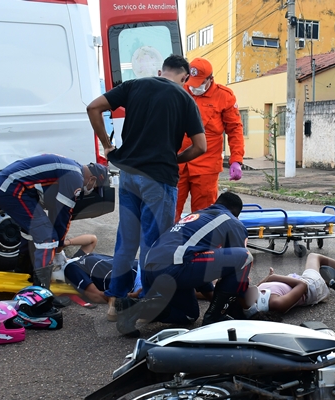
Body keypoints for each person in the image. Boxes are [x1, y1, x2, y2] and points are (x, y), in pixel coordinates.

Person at [85, 54, 207, 324]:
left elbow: (93, 108)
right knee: (153, 245)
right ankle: (148, 306)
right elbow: (200, 146)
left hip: (129, 175)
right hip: (158, 180)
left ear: (160, 71)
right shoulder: (186, 99)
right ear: (185, 78)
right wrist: (174, 158)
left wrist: (107, 144)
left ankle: (115, 304)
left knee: (126, 242)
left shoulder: (134, 85)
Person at [124, 192, 252, 335]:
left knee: (188, 314)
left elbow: (201, 265)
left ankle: (135, 308)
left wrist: (215, 301)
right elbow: (239, 266)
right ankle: (214, 317)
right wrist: (240, 310)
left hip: (152, 269)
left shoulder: (199, 216)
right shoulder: (232, 221)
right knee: (245, 257)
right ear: (236, 213)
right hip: (175, 267)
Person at [0, 154, 108, 288]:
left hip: (9, 185)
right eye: (94, 186)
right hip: (11, 188)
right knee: (47, 239)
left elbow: (56, 211)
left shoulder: (73, 167)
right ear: (92, 179)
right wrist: (57, 248)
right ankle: (40, 295)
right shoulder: (75, 178)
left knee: (35, 233)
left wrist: (59, 245)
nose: (91, 189)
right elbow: (63, 215)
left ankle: (24, 271)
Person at [176, 57, 245, 218]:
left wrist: (236, 159)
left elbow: (235, 129)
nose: (194, 87)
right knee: (168, 212)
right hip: (177, 163)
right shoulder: (179, 91)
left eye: (199, 82)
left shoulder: (224, 96)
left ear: (210, 79)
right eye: (191, 81)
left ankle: (203, 245)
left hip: (206, 167)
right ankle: (166, 243)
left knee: (204, 216)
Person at [246, 254, 335, 315]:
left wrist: (268, 278)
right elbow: (303, 285)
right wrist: (274, 277)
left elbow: (258, 286)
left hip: (299, 280)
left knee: (319, 271)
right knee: (314, 256)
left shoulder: (255, 295)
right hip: (312, 287)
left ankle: (333, 279)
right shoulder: (276, 303)